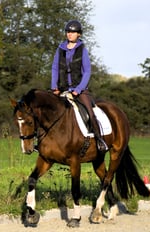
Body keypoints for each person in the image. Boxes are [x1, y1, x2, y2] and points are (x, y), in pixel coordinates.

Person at [51, 20, 108, 153]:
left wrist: (78, 89)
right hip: (62, 89)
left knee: (90, 113)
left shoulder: (82, 50)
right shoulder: (60, 49)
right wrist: (54, 87)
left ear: (79, 35)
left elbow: (87, 71)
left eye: (73, 32)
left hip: (79, 90)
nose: (70, 34)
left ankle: (100, 141)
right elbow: (54, 68)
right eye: (68, 32)